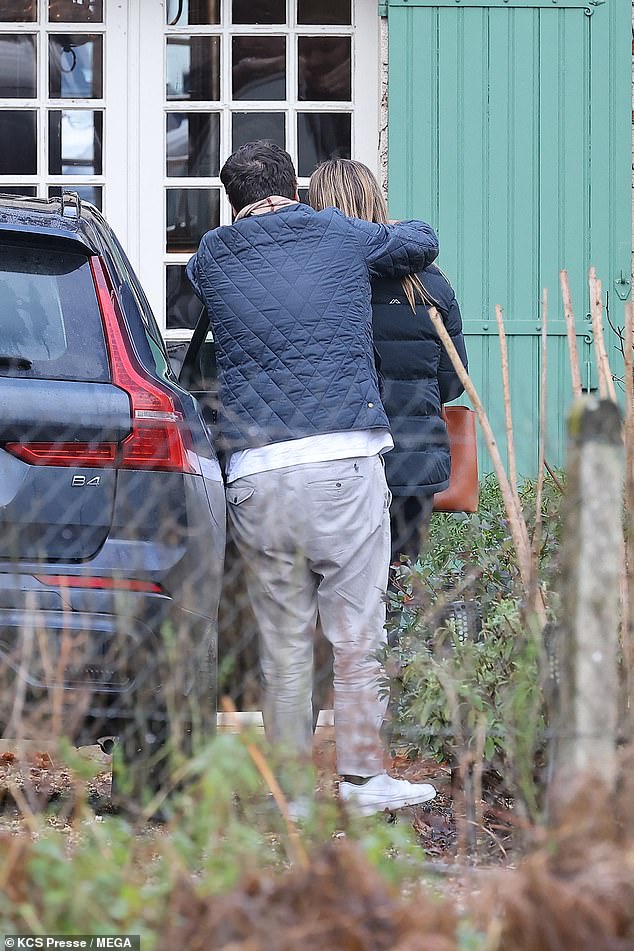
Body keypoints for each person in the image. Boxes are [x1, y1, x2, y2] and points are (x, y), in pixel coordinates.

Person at [187, 140, 439, 815]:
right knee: (358, 635)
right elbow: (419, 242)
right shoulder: (335, 231)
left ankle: (291, 793)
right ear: (294, 188)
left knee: (283, 644)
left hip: (256, 473)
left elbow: (202, 284)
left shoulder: (210, 255)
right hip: (339, 459)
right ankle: (360, 781)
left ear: (232, 200)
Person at [309, 159, 468, 563]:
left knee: (342, 581)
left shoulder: (318, 282)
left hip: (342, 458)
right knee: (401, 584)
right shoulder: (431, 281)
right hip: (414, 462)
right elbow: (452, 382)